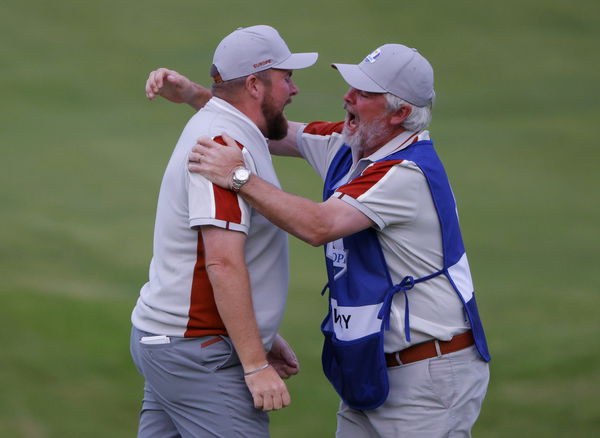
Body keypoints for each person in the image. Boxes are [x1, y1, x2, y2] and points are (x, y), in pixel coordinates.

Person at [147, 44, 491, 437]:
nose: (347, 97)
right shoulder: (352, 142)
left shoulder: (406, 173)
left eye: (364, 93)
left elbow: (318, 226)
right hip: (371, 364)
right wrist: (197, 94)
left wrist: (239, 177)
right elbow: (264, 125)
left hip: (427, 373)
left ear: (400, 114)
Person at [131, 25, 317, 437]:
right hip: (199, 351)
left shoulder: (226, 128)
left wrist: (261, 329)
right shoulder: (220, 144)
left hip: (173, 342)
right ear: (254, 85)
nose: (294, 89)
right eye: (286, 78)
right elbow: (221, 261)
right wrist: (255, 363)